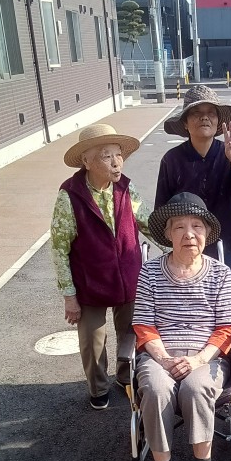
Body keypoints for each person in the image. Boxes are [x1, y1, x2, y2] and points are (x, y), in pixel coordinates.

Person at [132, 193, 231, 461]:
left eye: (197, 226)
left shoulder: (220, 273)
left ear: (207, 234)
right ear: (167, 234)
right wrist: (165, 359)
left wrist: (197, 360)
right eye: (179, 227)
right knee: (155, 387)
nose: (189, 234)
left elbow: (227, 327)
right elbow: (143, 324)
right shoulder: (150, 272)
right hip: (159, 355)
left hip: (206, 356)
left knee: (196, 387)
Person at [51, 123, 154, 410]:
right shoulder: (70, 195)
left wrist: (178, 246)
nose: (116, 162)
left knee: (130, 332)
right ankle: (98, 388)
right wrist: (69, 295)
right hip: (90, 282)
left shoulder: (126, 188)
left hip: (127, 278)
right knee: (93, 341)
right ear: (86, 161)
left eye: (118, 154)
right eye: (106, 155)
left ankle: (124, 376)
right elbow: (59, 248)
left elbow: (147, 222)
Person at [156, 85, 231, 294]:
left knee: (226, 298)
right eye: (196, 113)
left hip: (227, 241)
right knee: (189, 300)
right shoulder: (172, 159)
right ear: (185, 122)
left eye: (211, 113)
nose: (204, 117)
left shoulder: (228, 151)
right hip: (187, 243)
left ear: (219, 122)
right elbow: (162, 209)